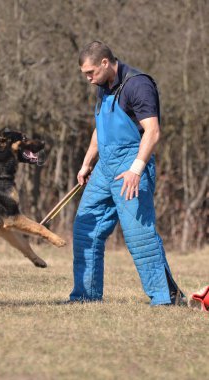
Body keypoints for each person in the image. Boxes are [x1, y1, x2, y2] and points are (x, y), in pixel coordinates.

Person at [69, 41, 186, 306]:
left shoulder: (138, 85)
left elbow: (153, 132)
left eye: (91, 73)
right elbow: (101, 128)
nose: (88, 79)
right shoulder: (102, 87)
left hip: (132, 164)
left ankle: (166, 296)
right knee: (85, 228)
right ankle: (85, 296)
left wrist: (136, 170)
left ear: (105, 63)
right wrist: (87, 162)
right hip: (105, 166)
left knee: (139, 235)